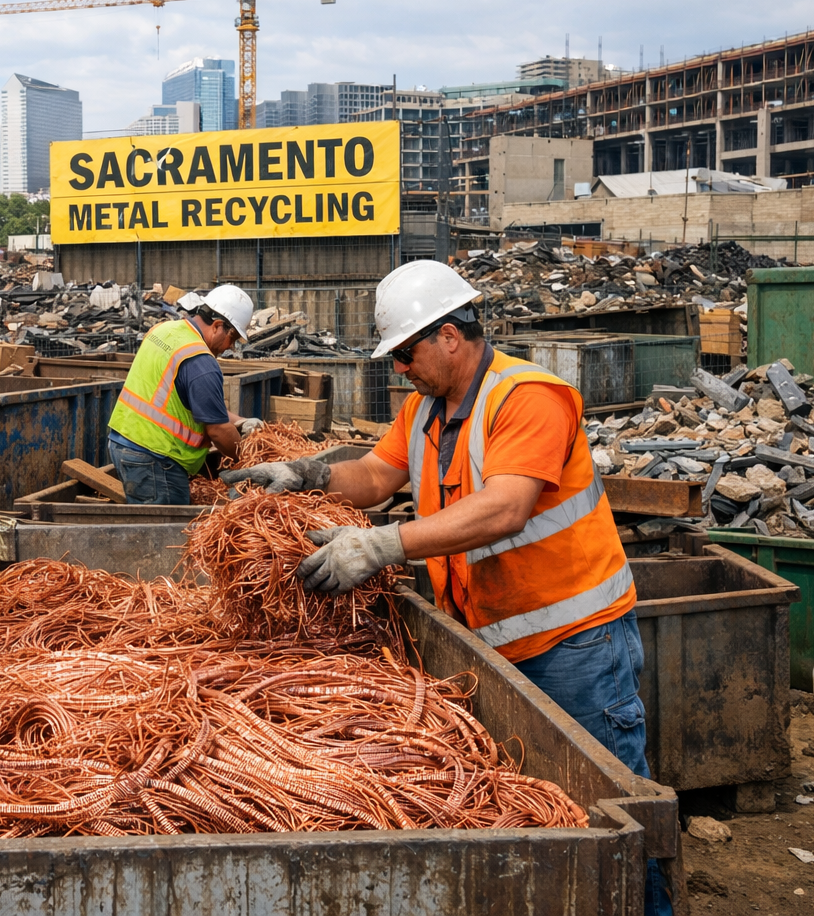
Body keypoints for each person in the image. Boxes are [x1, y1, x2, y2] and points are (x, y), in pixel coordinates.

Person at [222, 259, 672, 915]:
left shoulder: (527, 398)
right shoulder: (425, 410)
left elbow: (505, 508)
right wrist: (307, 473)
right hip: (494, 643)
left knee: (611, 814)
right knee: (544, 812)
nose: (399, 369)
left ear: (450, 336)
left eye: (405, 354)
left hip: (574, 647)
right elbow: (376, 475)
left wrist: (381, 545)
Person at [106, 284, 264, 505]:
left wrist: (242, 422)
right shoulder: (201, 361)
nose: (230, 348)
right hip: (155, 459)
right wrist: (250, 460)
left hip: (123, 443)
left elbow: (201, 407)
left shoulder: (164, 330)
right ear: (218, 326)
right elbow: (218, 431)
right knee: (164, 533)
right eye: (233, 339)